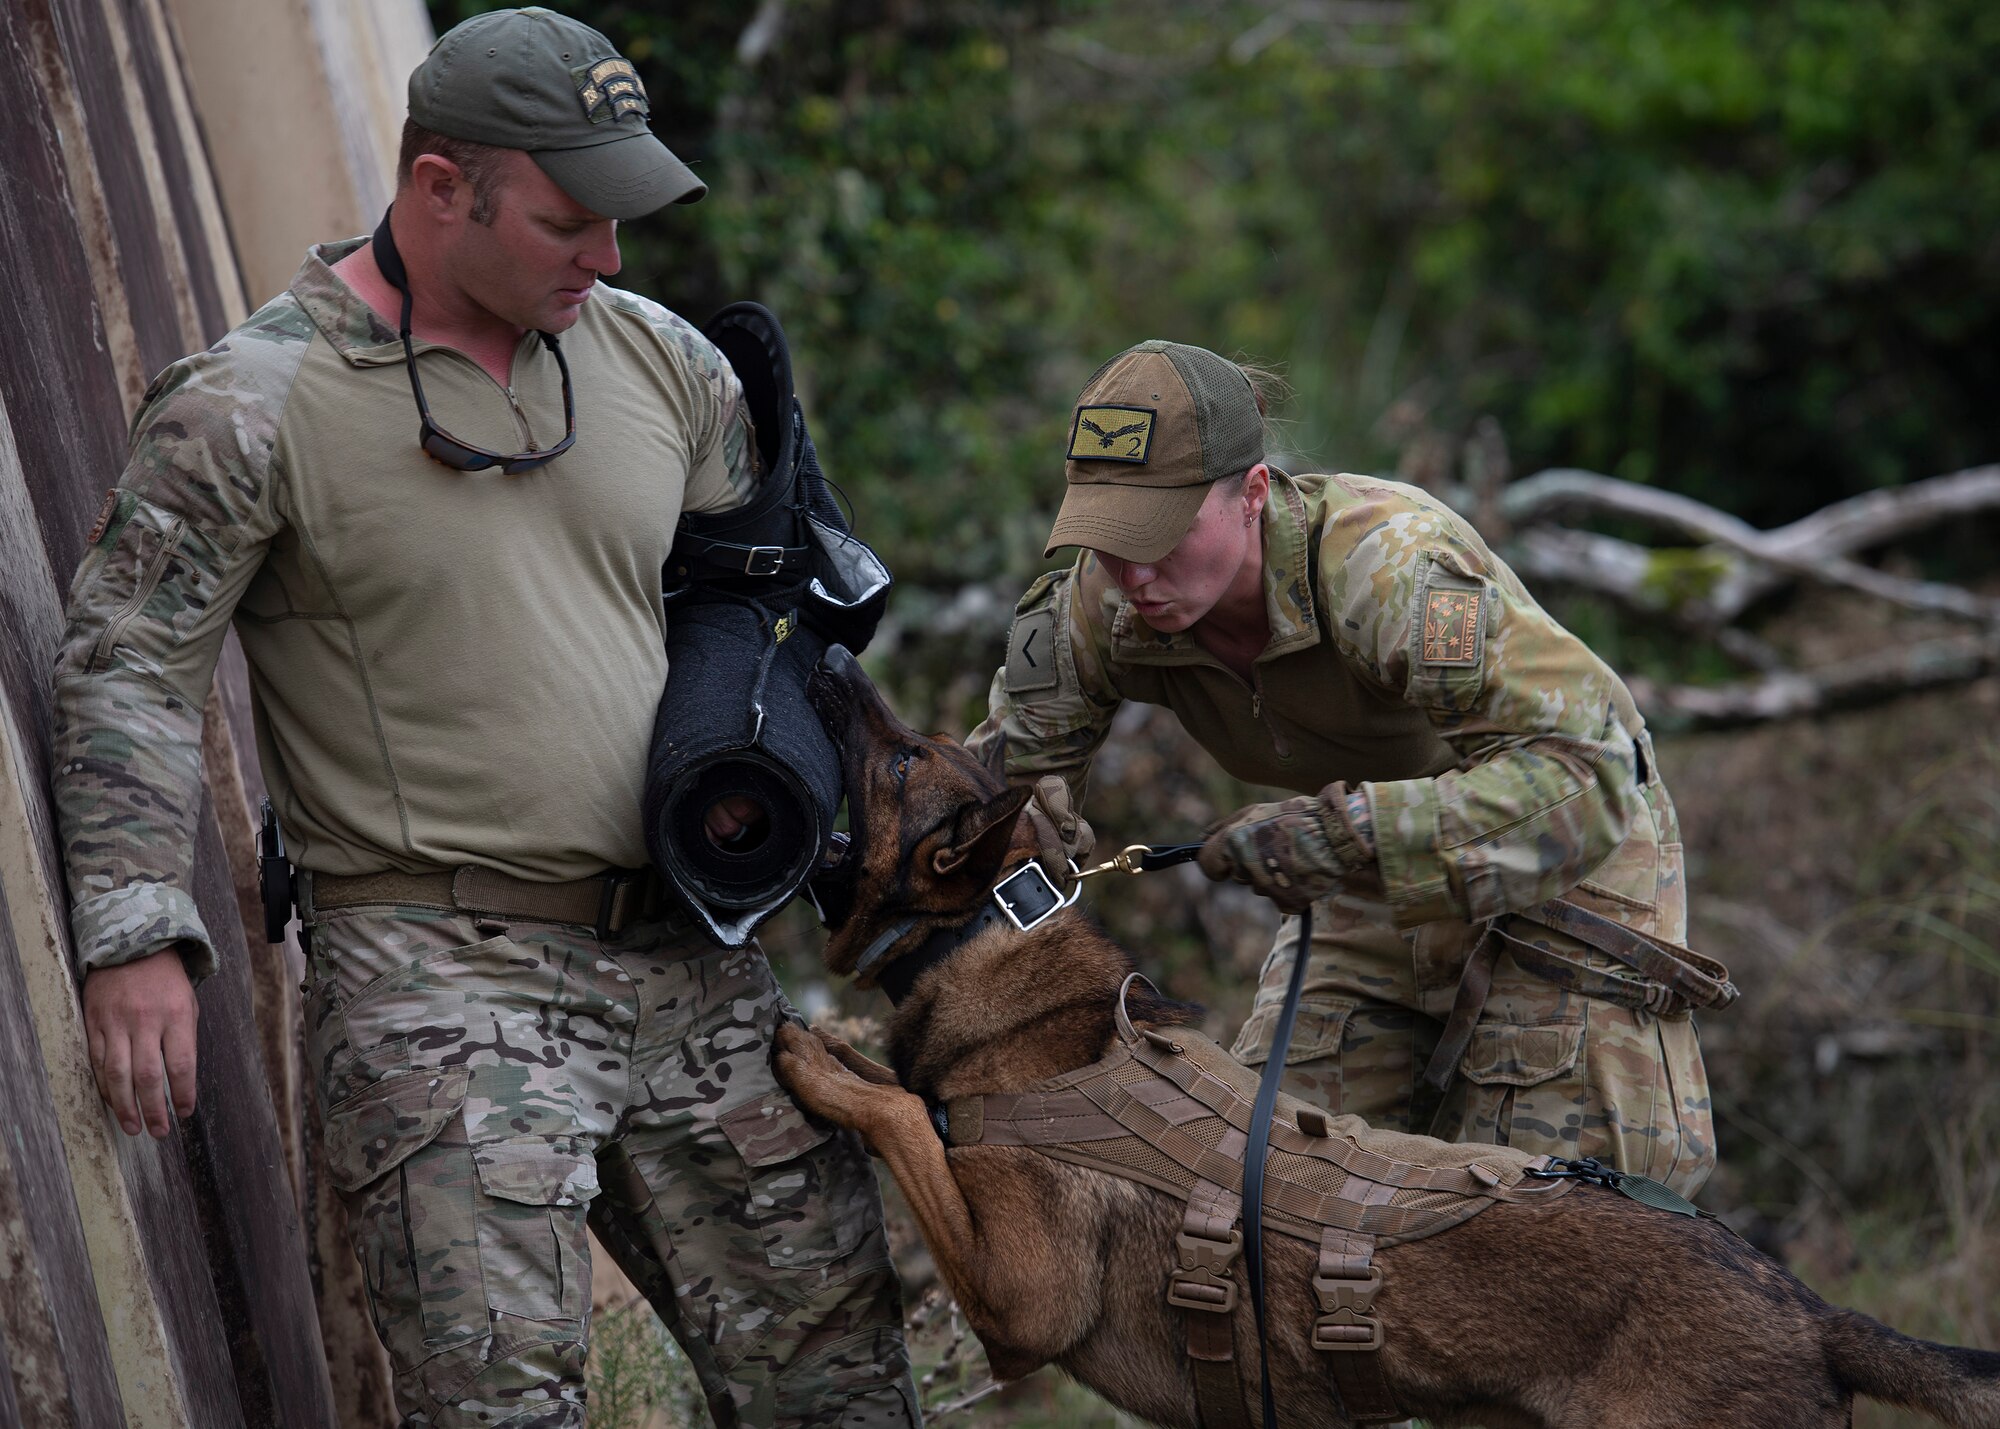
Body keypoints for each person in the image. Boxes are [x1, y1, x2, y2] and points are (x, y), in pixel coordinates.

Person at [50, 9, 916, 1425]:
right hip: (442, 982)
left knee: (844, 1389)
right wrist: (138, 926)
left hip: (690, 958)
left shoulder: (661, 362)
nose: (610, 260)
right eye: (570, 223)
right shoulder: (251, 407)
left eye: (620, 224)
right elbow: (129, 661)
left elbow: (761, 615)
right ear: (441, 190)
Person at [970, 339, 1723, 1197]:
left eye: (1160, 535)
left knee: (1541, 1212)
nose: (1133, 572)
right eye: (1108, 539)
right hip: (1369, 866)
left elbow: (1585, 769)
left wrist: (1345, 831)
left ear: (1252, 494)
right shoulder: (1098, 609)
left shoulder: (1388, 568)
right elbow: (1000, 799)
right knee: (1254, 1188)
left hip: (1566, 842)